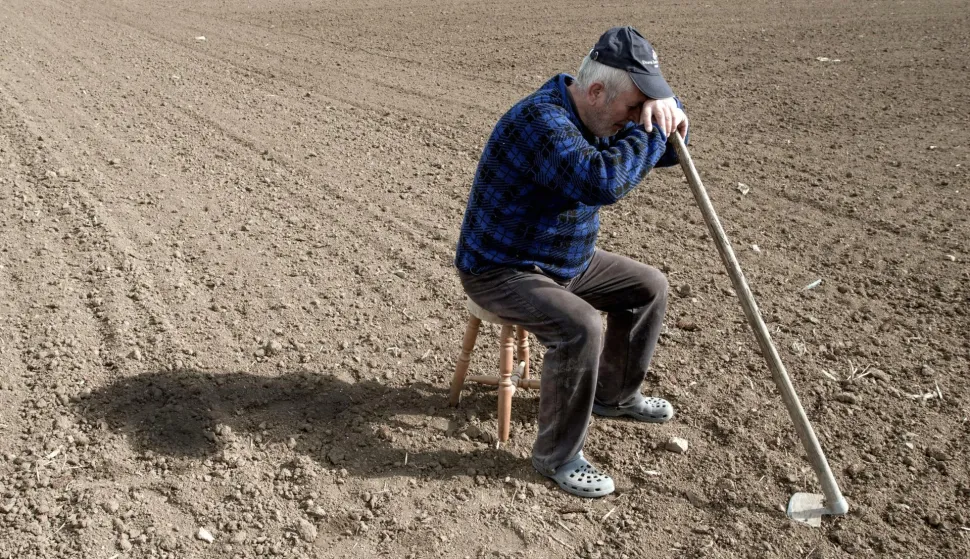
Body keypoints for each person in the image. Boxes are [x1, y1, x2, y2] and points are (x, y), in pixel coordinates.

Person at [454, 26, 689, 498]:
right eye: (632, 109)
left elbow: (659, 154)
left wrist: (667, 116)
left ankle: (614, 396)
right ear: (598, 90)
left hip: (563, 261)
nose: (633, 121)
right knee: (581, 325)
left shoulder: (601, 114)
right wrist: (653, 131)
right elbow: (603, 182)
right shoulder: (540, 123)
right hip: (502, 268)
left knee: (648, 287)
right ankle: (556, 457)